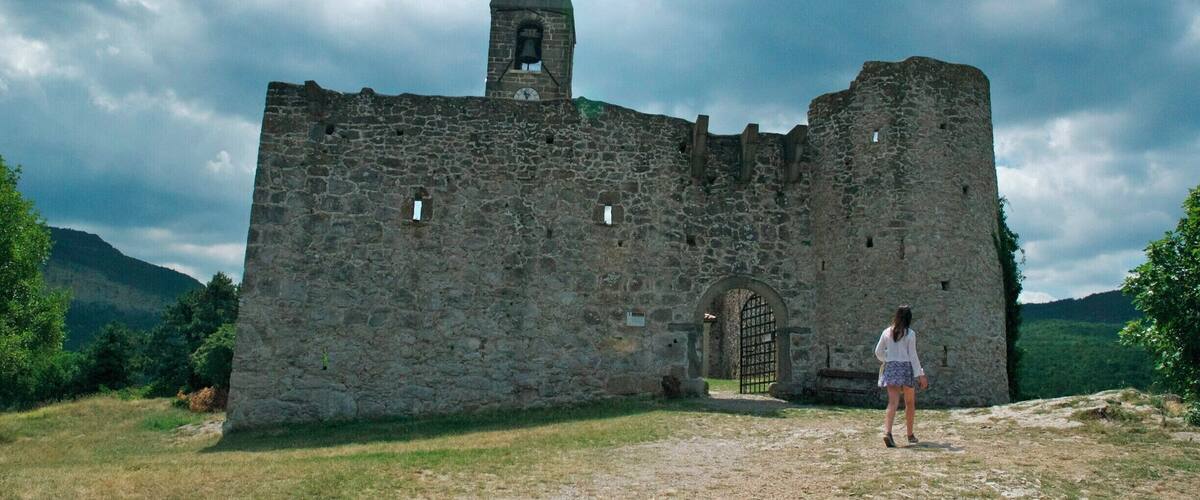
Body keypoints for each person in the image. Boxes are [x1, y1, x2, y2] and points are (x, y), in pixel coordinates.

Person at [874, 305, 928, 448]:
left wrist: (889, 358)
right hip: (906, 369)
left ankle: (887, 432)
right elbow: (913, 356)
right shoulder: (910, 334)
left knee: (892, 403)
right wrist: (921, 375)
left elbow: (878, 352)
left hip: (891, 368)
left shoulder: (886, 332)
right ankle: (910, 435)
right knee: (909, 402)